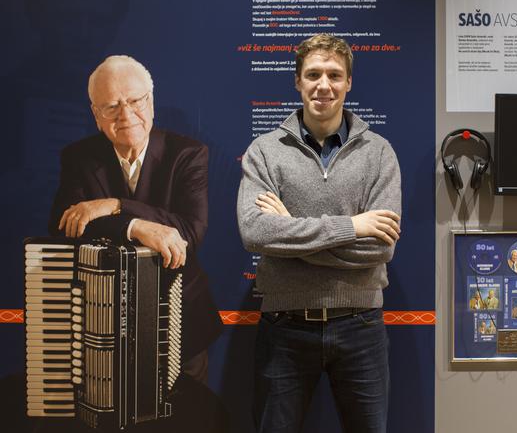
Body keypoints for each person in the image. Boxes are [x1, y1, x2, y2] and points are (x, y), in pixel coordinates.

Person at [237, 33, 401, 433]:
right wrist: (352, 226)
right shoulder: (265, 151)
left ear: (348, 83)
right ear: (297, 81)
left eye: (334, 75)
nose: (323, 85)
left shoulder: (379, 153)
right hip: (285, 326)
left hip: (361, 325)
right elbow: (255, 234)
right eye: (313, 74)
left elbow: (379, 250)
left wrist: (290, 233)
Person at [48, 55, 222, 383]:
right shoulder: (78, 157)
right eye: (111, 106)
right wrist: (137, 226)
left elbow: (189, 232)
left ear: (151, 102)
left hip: (181, 320)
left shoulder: (189, 154)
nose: (126, 115)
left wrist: (112, 205)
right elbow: (66, 227)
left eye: (134, 101)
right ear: (96, 115)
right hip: (105, 321)